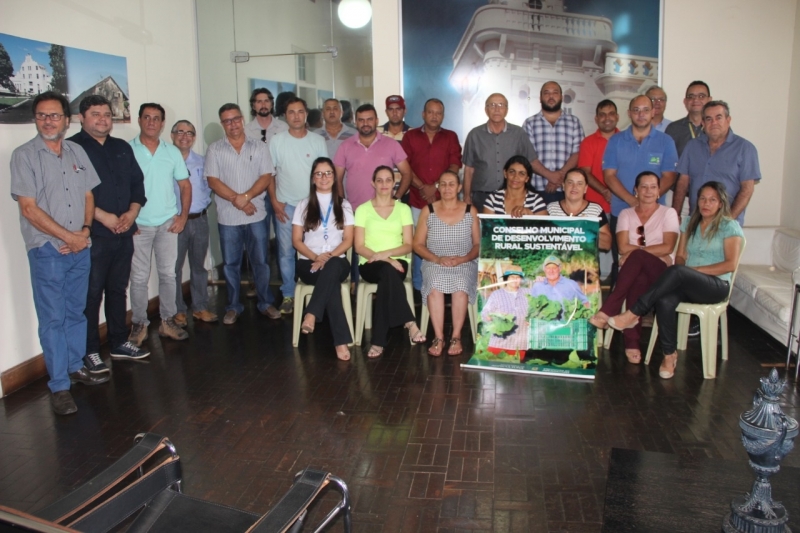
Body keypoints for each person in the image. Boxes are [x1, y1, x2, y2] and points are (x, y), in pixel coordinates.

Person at [11, 91, 108, 415]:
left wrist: (83, 231)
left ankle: (74, 366)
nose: (48, 121)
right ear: (36, 119)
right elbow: (29, 209)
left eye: (54, 115)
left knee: (75, 312)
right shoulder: (24, 156)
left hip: (79, 245)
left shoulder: (77, 151)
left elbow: (88, 195)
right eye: (41, 115)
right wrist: (69, 237)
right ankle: (59, 387)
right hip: (48, 250)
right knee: (52, 319)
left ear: (66, 121)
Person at [607, 181, 744, 379]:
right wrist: (686, 272)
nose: (706, 203)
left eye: (712, 200)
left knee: (678, 271)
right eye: (702, 198)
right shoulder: (689, 223)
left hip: (716, 285)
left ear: (721, 203)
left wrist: (693, 271)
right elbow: (679, 256)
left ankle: (635, 311)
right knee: (664, 299)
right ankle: (669, 355)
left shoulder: (729, 226)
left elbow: (730, 264)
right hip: (689, 282)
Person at [69, 95, 149, 371]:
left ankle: (118, 342)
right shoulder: (72, 148)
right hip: (94, 235)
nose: (103, 119)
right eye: (96, 114)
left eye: (107, 114)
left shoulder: (121, 148)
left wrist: (132, 213)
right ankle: (89, 350)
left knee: (117, 289)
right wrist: (103, 217)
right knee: (91, 294)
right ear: (81, 118)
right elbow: (75, 194)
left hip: (124, 232)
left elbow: (137, 184)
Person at [589, 171, 680, 364]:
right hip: (634, 273)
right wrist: (640, 253)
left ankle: (608, 312)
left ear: (659, 191)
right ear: (635, 191)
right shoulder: (625, 214)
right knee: (637, 277)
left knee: (637, 257)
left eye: (653, 187)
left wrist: (635, 253)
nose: (648, 191)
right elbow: (622, 247)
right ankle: (631, 340)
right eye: (644, 187)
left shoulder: (668, 213)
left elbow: (668, 247)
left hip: (662, 273)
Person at [206, 103, 280, 324]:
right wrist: (237, 201)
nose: (232, 124)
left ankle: (265, 302)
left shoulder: (258, 147)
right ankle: (233, 306)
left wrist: (245, 197)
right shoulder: (215, 149)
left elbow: (266, 177)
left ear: (242, 119)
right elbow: (213, 180)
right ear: (222, 124)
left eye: (236, 119)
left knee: (261, 262)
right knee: (230, 264)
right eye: (227, 121)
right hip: (228, 217)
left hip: (256, 214)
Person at [128, 103, 191, 345]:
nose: (152, 122)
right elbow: (120, 187)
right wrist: (128, 217)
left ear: (163, 123)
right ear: (139, 120)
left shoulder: (171, 151)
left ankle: (167, 321)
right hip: (139, 225)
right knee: (139, 277)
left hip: (167, 223)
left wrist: (183, 216)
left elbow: (185, 185)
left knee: (168, 274)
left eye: (156, 118)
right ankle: (139, 324)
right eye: (147, 117)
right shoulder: (127, 150)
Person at [603, 94, 678, 284]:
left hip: (656, 215)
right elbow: (609, 175)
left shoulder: (666, 141)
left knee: (653, 264)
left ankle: (646, 309)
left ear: (653, 112)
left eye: (645, 110)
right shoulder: (616, 141)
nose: (641, 114)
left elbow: (670, 176)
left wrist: (647, 202)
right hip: (622, 212)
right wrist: (632, 201)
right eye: (636, 110)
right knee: (622, 262)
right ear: (629, 113)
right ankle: (617, 306)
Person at [334, 104, 412, 282]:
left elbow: (407, 173)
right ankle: (355, 288)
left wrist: (396, 198)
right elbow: (337, 179)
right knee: (357, 253)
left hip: (386, 208)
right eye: (361, 120)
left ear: (376, 121)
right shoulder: (345, 146)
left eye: (370, 119)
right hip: (355, 210)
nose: (365, 123)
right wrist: (342, 205)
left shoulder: (391, 144)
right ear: (356, 122)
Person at [354, 166, 426, 358]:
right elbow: (359, 246)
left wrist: (388, 256)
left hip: (398, 263)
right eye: (380, 180)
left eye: (388, 180)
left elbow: (409, 245)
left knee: (388, 277)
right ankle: (409, 322)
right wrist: (385, 259)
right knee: (387, 272)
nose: (384, 184)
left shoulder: (403, 209)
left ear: (394, 183)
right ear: (373, 183)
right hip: (369, 263)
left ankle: (378, 342)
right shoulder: (362, 209)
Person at [269, 97, 328, 315]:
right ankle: (288, 295)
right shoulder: (276, 141)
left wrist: (322, 203)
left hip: (313, 206)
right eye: (291, 112)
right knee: (285, 253)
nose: (296, 116)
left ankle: (317, 292)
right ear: (285, 116)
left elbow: (323, 175)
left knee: (315, 250)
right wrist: (275, 202)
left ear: (306, 114)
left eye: (300, 111)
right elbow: (270, 174)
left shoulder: (317, 141)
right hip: (287, 207)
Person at [292, 157, 354, 361]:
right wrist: (316, 257)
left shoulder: (344, 205)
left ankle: (311, 313)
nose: (324, 177)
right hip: (308, 262)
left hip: (337, 259)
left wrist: (326, 258)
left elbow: (348, 240)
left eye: (328, 173)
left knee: (333, 267)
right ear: (312, 179)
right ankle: (341, 341)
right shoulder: (302, 205)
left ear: (335, 178)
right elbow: (297, 241)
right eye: (319, 173)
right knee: (331, 284)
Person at [412, 171, 479, 357]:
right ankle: (439, 337)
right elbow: (417, 244)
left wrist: (462, 259)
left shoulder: (469, 210)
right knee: (434, 284)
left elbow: (477, 245)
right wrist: (437, 259)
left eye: (451, 184)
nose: (447, 188)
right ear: (438, 187)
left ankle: (456, 336)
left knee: (460, 285)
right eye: (443, 184)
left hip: (464, 262)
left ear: (459, 187)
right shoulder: (429, 210)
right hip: (434, 261)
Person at [401, 98, 462, 292]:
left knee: (444, 242)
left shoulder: (451, 137)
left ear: (443, 116)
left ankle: (445, 285)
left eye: (439, 113)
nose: (434, 116)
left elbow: (454, 165)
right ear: (423, 114)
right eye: (431, 112)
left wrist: (436, 186)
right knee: (419, 244)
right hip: (418, 202)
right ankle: (420, 287)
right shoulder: (410, 137)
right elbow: (405, 167)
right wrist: (423, 188)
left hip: (445, 202)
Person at [673, 101, 761, 225]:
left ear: (728, 120)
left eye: (718, 118)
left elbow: (747, 189)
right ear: (703, 123)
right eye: (709, 119)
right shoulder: (692, 146)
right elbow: (682, 183)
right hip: (695, 223)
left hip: (728, 226)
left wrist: (726, 221)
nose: (713, 123)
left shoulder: (745, 148)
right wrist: (675, 214)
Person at [171, 119, 217, 327]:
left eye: (189, 133)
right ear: (172, 135)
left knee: (198, 266)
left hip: (199, 220)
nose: (185, 136)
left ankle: (200, 307)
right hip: (174, 223)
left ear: (194, 137)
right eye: (180, 132)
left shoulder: (202, 161)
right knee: (174, 268)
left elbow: (209, 188)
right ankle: (177, 310)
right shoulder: (166, 161)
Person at [462, 93, 538, 211]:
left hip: (513, 196)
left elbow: (529, 164)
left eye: (501, 105)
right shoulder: (475, 135)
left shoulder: (518, 133)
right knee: (483, 229)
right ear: (486, 109)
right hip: (482, 196)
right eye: (492, 105)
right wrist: (466, 196)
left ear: (507, 110)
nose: (497, 109)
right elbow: (469, 169)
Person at [522, 81, 585, 204]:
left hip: (567, 191)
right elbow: (528, 156)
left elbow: (578, 153)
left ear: (561, 97)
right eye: (547, 93)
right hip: (536, 191)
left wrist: (559, 176)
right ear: (540, 98)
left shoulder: (574, 122)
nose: (551, 97)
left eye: (555, 93)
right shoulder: (529, 123)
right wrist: (550, 175)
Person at [546, 168, 612, 251]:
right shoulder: (551, 208)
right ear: (563, 186)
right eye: (570, 183)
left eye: (579, 184)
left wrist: (585, 228)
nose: (574, 187)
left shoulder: (595, 209)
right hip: (556, 260)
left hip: (585, 261)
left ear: (585, 188)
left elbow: (607, 244)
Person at [578, 99, 619, 214]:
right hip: (595, 207)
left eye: (611, 114)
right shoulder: (588, 142)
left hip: (623, 206)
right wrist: (605, 191)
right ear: (596, 119)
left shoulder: (626, 140)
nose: (607, 118)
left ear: (617, 117)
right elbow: (585, 172)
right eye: (602, 115)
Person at [480, 267, 529, 356]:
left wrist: (531, 320)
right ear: (506, 279)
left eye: (518, 277)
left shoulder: (527, 293)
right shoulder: (497, 294)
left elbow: (536, 310)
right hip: (499, 342)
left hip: (520, 343)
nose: (515, 280)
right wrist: (492, 317)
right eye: (512, 277)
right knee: (494, 367)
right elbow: (485, 313)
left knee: (515, 367)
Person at [482, 156, 548, 217]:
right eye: (512, 172)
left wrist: (529, 214)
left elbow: (543, 227)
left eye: (521, 173)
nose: (516, 177)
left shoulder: (536, 200)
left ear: (527, 179)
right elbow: (488, 227)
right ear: (505, 173)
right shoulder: (493, 199)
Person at [665, 81, 712, 157]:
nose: (696, 100)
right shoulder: (673, 129)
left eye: (701, 96)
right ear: (685, 101)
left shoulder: (717, 127)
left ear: (709, 100)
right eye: (691, 96)